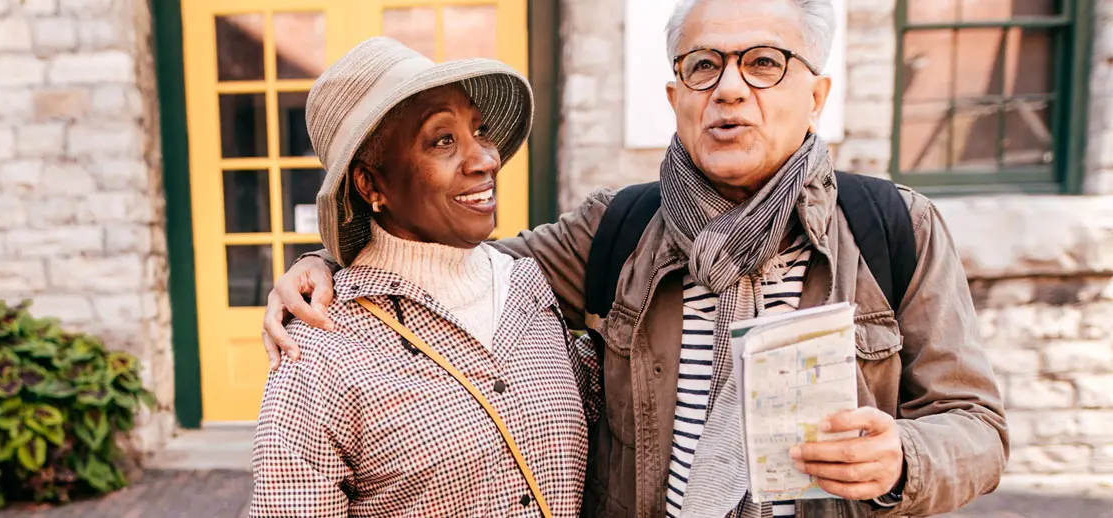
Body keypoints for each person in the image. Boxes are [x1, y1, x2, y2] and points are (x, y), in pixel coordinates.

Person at [261, 1, 1009, 517]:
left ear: (816, 94)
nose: (731, 90)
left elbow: (977, 426)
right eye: (704, 66)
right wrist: (329, 262)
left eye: (764, 64)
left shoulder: (892, 228)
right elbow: (445, 270)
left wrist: (903, 459)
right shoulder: (615, 230)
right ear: (674, 93)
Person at [248, 37, 600, 517]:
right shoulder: (318, 352)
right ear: (371, 183)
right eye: (443, 140)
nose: (485, 160)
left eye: (480, 131)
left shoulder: (530, 289)